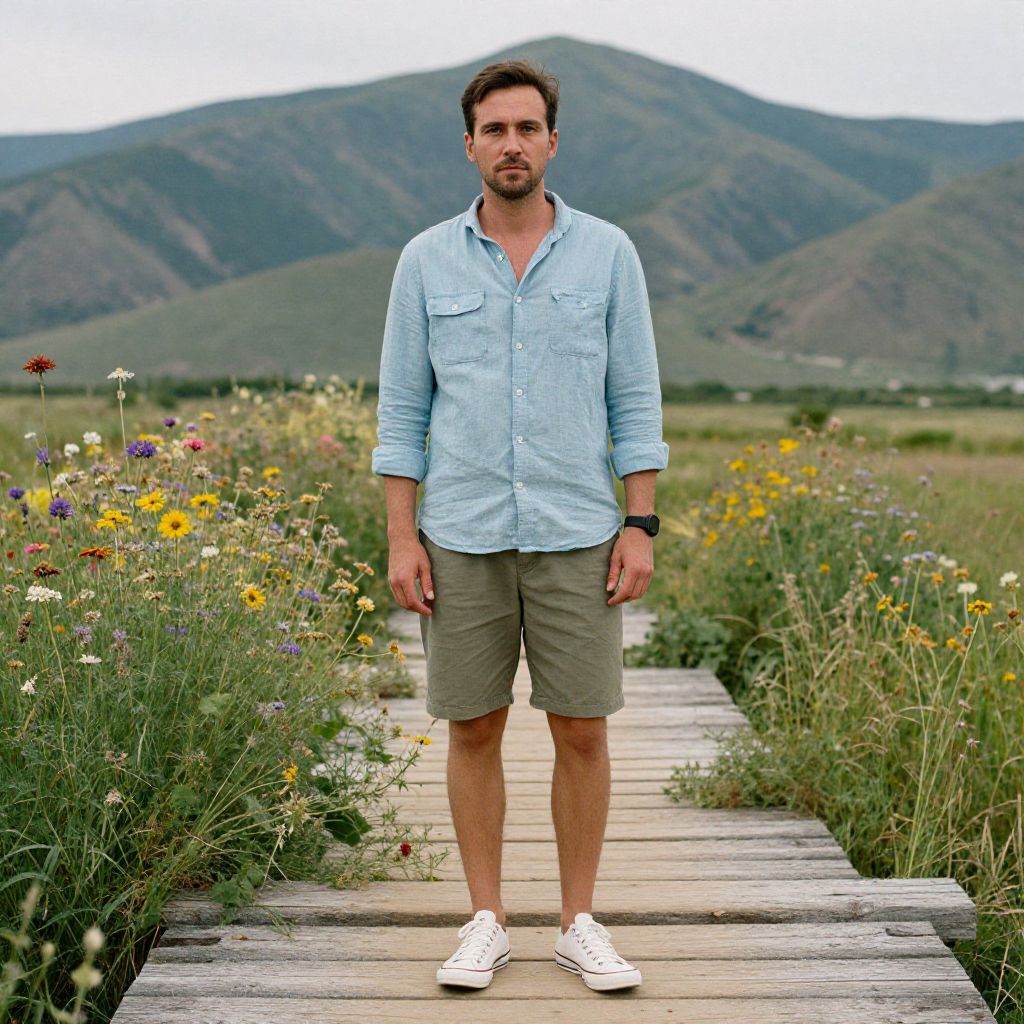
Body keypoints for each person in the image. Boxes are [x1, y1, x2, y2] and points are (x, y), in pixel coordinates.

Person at [370, 57, 669, 992]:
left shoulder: (608, 253)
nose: (511, 144)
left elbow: (636, 398)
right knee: (473, 729)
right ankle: (486, 919)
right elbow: (399, 413)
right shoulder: (424, 260)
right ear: (470, 145)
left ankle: (580, 921)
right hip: (460, 532)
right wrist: (401, 536)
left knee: (583, 730)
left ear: (551, 141)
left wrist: (641, 524)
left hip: (580, 530)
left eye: (526, 128)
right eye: (493, 130)